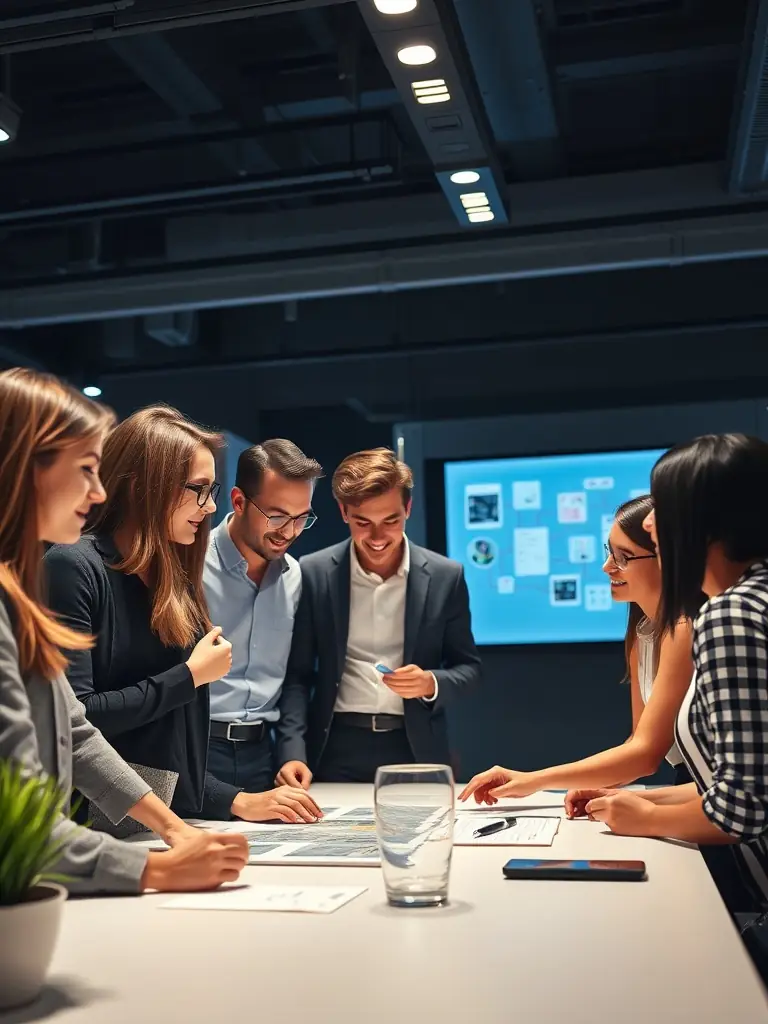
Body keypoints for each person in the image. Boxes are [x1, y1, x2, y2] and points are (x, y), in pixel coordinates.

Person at [0, 368, 247, 895]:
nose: (97, 492)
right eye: (85, 470)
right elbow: (21, 813)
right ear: (25, 467)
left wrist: (176, 830)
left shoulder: (17, 593)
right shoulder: (68, 568)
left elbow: (77, 736)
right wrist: (158, 869)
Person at [45, 406, 321, 827]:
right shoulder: (72, 566)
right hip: (89, 823)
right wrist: (189, 677)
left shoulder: (174, 575)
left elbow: (169, 750)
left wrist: (234, 800)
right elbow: (78, 723)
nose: (208, 507)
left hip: (154, 818)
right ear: (145, 486)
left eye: (211, 490)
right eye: (198, 489)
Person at [579, 435, 768, 925]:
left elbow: (743, 808)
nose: (648, 522)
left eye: (662, 506)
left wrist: (647, 816)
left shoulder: (732, 614)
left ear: (704, 519)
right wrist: (641, 800)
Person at [459, 496, 694, 808]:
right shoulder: (642, 635)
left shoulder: (683, 629)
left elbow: (645, 755)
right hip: (687, 791)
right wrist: (545, 784)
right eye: (610, 553)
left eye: (623, 557)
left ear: (666, 558)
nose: (607, 567)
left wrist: (534, 781)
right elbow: (636, 745)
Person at [277, 447, 482, 785]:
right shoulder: (314, 572)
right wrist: (292, 752)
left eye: (391, 521)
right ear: (344, 512)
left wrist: (430, 683)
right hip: (333, 747)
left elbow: (470, 669)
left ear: (408, 509)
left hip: (415, 746)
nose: (377, 538)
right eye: (363, 523)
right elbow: (297, 676)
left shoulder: (446, 576)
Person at [204, 439, 324, 798]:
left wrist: (291, 754)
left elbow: (295, 677)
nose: (289, 532)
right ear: (239, 501)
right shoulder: (190, 567)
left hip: (263, 756)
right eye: (277, 516)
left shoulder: (294, 576)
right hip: (196, 749)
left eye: (301, 518)